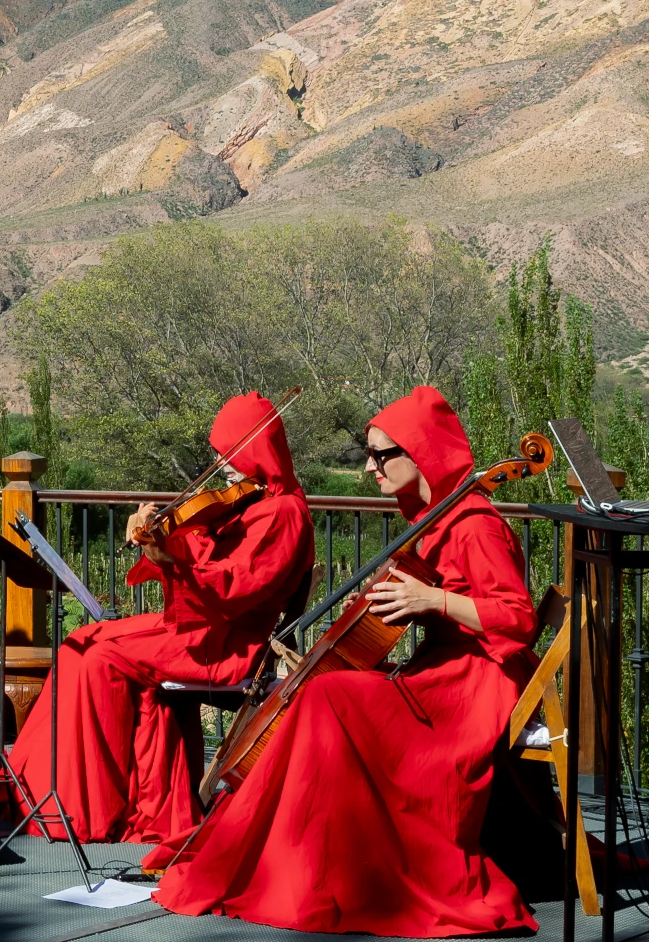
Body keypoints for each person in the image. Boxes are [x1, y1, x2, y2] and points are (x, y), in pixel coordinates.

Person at [152, 386, 539, 937]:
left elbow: (518, 619)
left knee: (327, 695)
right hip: (439, 673)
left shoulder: (473, 524)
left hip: (471, 689)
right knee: (326, 693)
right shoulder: (439, 517)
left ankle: (317, 868)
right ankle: (305, 861)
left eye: (383, 455)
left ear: (422, 453)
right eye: (370, 453)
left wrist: (434, 600)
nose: (370, 467)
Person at [0, 391, 314, 845]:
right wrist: (160, 536)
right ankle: (50, 792)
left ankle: (88, 809)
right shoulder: (248, 504)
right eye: (220, 454)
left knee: (100, 661)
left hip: (230, 644)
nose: (222, 464)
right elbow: (205, 564)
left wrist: (171, 552)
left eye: (232, 452)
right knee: (80, 643)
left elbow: (231, 588)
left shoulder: (283, 513)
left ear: (258, 449)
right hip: (200, 629)